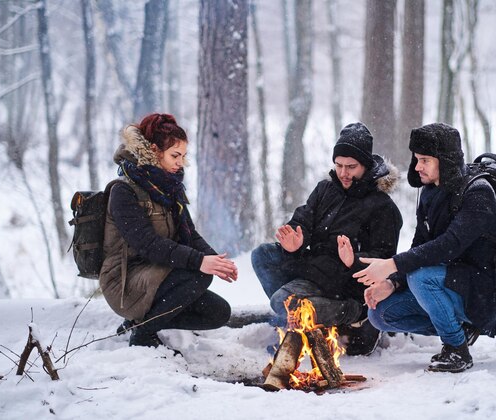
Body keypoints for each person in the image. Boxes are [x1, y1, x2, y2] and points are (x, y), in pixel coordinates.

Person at [354, 122, 496, 372]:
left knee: (420, 275)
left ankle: (456, 348)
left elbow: (449, 245)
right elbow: (419, 246)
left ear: (444, 160)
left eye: (425, 160)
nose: (417, 167)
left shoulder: (478, 193)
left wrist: (392, 265)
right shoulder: (429, 192)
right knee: (380, 314)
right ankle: (457, 327)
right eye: (416, 159)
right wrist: (392, 282)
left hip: (481, 291)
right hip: (442, 284)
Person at [251, 122, 403, 356]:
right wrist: (295, 240)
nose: (343, 173)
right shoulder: (325, 189)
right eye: (339, 165)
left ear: (366, 165)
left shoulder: (383, 207)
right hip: (316, 270)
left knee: (281, 301)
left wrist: (354, 259)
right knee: (262, 254)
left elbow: (384, 259)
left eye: (351, 167)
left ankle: (353, 314)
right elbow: (303, 219)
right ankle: (298, 323)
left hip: (347, 284)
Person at [100, 113, 238, 349]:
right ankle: (143, 334)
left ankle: (142, 322)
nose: (180, 162)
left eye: (183, 156)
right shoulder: (124, 190)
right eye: (175, 155)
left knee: (218, 313)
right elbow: (147, 243)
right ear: (154, 151)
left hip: (157, 273)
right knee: (198, 274)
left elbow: (189, 234)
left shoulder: (168, 187)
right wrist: (200, 262)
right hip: (125, 281)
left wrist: (215, 260)